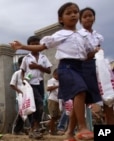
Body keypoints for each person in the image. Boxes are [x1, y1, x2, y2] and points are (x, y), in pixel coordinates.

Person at [10, 2, 102, 140]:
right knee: (80, 91)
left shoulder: (83, 36)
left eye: (75, 12)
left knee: (81, 98)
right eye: (68, 13)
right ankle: (83, 128)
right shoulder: (60, 35)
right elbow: (41, 47)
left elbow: (88, 54)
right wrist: (22, 46)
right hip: (66, 67)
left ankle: (70, 132)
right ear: (61, 19)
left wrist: (95, 52)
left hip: (81, 67)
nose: (73, 15)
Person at [79, 7, 114, 125]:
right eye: (85, 16)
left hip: (99, 66)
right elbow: (81, 55)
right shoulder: (78, 35)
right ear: (80, 20)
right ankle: (78, 128)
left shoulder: (98, 36)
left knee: (107, 95)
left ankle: (109, 127)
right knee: (84, 97)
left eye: (90, 15)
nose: (88, 18)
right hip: (86, 67)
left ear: (94, 18)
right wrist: (94, 52)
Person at [20, 36, 52, 139]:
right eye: (32, 44)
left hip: (40, 83)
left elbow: (48, 71)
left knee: (39, 105)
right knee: (37, 104)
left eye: (37, 43)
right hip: (30, 85)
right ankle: (35, 127)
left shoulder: (43, 57)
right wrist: (23, 82)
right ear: (29, 46)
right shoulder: (26, 58)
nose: (34, 45)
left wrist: (38, 66)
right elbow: (23, 72)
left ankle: (33, 128)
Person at [10, 56, 25, 135]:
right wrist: (20, 91)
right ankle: (16, 129)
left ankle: (21, 129)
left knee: (30, 111)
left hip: (29, 95)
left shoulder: (29, 73)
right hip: (21, 96)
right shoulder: (17, 73)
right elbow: (12, 85)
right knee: (22, 112)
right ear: (19, 65)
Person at [47, 68, 60, 135]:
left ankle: (49, 125)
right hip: (52, 99)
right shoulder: (51, 80)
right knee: (53, 116)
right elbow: (48, 88)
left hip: (58, 100)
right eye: (58, 75)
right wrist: (57, 86)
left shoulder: (59, 81)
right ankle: (51, 131)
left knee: (57, 116)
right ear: (54, 74)